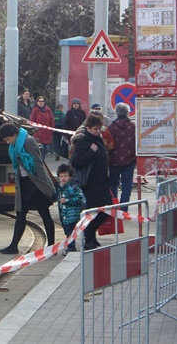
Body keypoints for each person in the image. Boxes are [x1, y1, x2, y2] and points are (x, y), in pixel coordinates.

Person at [0, 122, 56, 254]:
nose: (8, 142)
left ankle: (51, 246)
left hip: (35, 183)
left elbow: (38, 164)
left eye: (8, 139)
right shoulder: (15, 145)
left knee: (44, 213)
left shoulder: (28, 141)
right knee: (20, 214)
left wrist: (45, 186)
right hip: (23, 182)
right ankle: (13, 246)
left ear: (14, 135)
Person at [70, 113, 111, 250]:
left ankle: (91, 236)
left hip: (101, 182)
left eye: (99, 129)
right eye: (95, 129)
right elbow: (76, 161)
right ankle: (89, 237)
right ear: (88, 128)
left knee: (105, 210)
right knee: (95, 212)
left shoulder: (98, 140)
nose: (98, 131)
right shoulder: (84, 142)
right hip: (91, 184)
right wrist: (91, 153)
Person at [108, 103, 136, 211]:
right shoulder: (133, 126)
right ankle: (124, 210)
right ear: (128, 112)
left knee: (113, 185)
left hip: (114, 161)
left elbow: (108, 144)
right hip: (129, 161)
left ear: (116, 112)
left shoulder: (111, 127)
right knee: (127, 186)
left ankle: (114, 208)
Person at [55, 164, 86, 255]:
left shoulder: (73, 187)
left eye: (65, 176)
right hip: (64, 214)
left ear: (70, 176)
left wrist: (67, 200)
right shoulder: (60, 187)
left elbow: (79, 198)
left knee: (69, 232)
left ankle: (71, 248)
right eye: (61, 176)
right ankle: (70, 247)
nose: (63, 178)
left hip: (72, 214)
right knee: (67, 231)